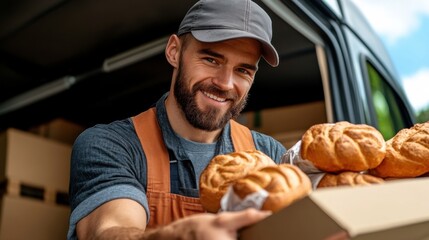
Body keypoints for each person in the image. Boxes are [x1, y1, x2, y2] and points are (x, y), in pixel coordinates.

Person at [68, 0, 348, 239]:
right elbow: (108, 229)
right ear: (174, 52)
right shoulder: (111, 144)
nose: (225, 84)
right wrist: (179, 236)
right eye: (211, 60)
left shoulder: (270, 155)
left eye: (243, 70)